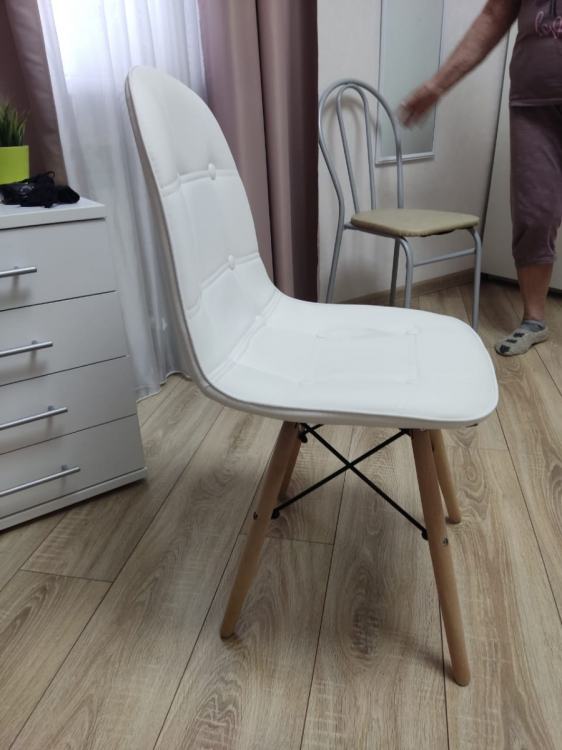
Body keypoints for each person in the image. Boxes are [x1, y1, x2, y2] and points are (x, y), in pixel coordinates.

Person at [400, 0, 562, 356]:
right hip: (533, 103)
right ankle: (534, 321)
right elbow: (493, 15)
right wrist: (438, 84)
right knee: (533, 213)